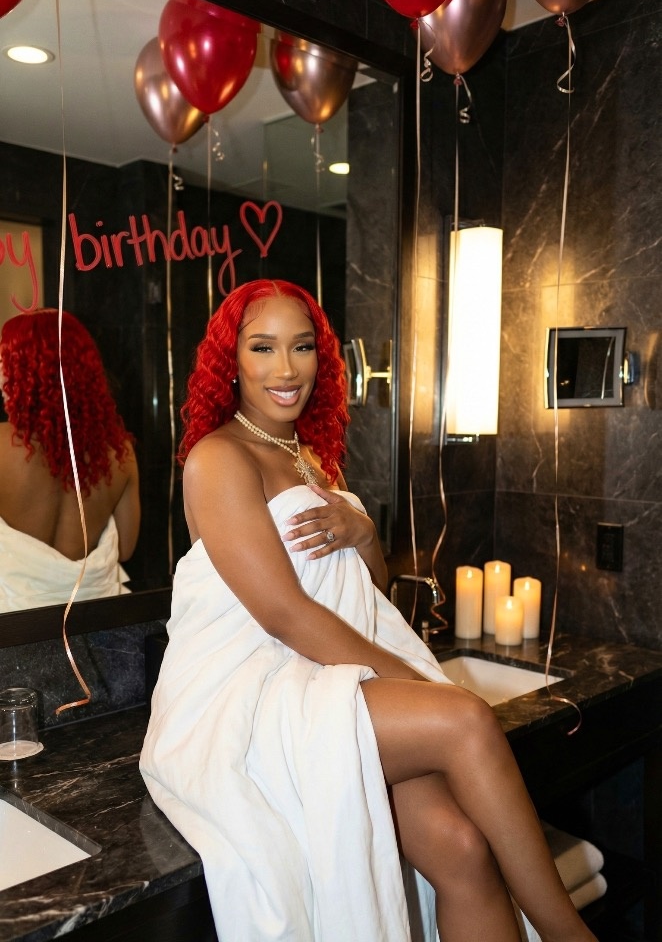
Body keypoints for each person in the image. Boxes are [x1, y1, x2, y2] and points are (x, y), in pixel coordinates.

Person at [140, 279, 597, 942]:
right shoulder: (219, 458)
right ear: (229, 361)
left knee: (464, 851)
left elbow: (365, 590)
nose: (285, 368)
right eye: (262, 347)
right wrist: (404, 676)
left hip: (331, 674)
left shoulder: (310, 458)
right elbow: (284, 614)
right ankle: (568, 933)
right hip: (256, 693)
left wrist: (365, 536)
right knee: (467, 719)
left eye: (301, 347)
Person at [0, 308, 140, 609]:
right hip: (94, 621)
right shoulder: (119, 452)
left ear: (21, 372)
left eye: (3, 362)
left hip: (14, 628)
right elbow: (126, 548)